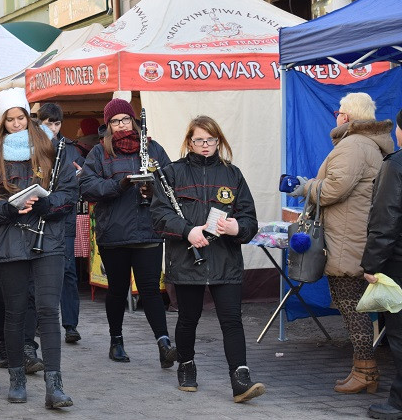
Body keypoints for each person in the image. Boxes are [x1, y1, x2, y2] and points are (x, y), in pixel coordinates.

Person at [0, 87, 76, 408]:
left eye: (21, 117)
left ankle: (54, 385)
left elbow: (69, 193)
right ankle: (17, 378)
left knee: (47, 310)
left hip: (48, 239)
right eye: (10, 119)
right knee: (15, 311)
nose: (17, 124)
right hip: (8, 241)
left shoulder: (51, 146)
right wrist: (7, 208)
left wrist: (47, 205)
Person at [285, 92, 394, 393]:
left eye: (338, 112)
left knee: (351, 306)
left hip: (347, 239)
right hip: (357, 235)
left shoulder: (353, 145)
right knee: (355, 306)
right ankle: (363, 370)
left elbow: (334, 189)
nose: (336, 116)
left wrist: (303, 186)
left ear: (345, 116)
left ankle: (366, 371)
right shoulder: (370, 145)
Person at [151, 115, 263, 403]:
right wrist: (187, 231)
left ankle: (240, 379)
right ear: (190, 141)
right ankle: (186, 365)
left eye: (211, 140)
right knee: (189, 319)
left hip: (224, 259)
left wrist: (238, 227)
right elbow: (159, 216)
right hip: (187, 258)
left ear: (218, 141)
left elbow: (249, 219)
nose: (205, 145)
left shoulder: (232, 174)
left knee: (232, 320)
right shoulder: (172, 173)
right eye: (199, 139)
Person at [80, 99, 176, 366]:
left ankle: (164, 343)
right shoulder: (99, 153)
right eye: (115, 121)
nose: (121, 125)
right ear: (108, 125)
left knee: (150, 290)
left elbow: (171, 182)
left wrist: (152, 188)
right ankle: (116, 340)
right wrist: (119, 185)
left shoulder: (152, 148)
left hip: (148, 230)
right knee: (118, 290)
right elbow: (87, 187)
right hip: (114, 233)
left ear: (133, 121)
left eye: (125, 119)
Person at [362, 109, 402, 420]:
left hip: (398, 263)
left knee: (400, 333)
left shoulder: (397, 165)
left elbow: (385, 220)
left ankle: (399, 402)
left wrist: (371, 264)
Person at [38, 102, 84, 344]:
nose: (53, 129)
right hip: (38, 215)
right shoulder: (32, 145)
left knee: (68, 271)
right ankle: (39, 321)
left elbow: (81, 177)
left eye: (57, 124)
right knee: (38, 271)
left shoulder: (70, 149)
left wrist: (80, 174)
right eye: (49, 124)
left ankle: (70, 325)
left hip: (64, 216)